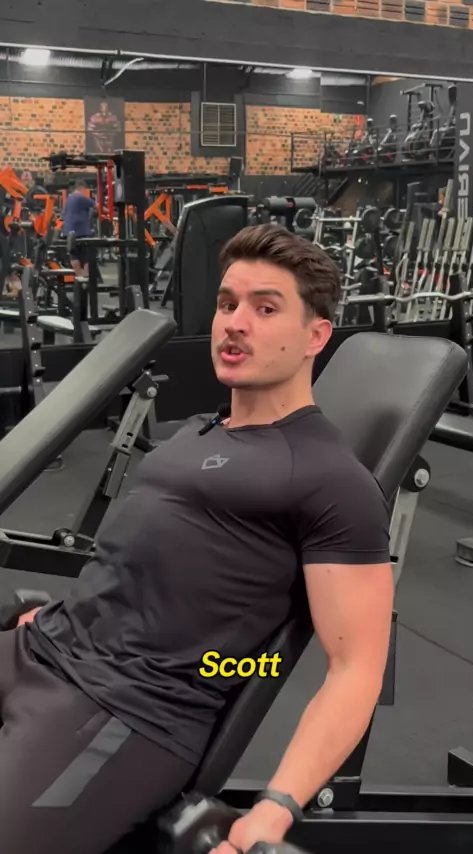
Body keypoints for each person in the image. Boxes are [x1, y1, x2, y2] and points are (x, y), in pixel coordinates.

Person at [0, 224, 393, 854]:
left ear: (316, 336)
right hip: (40, 647)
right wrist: (64, 614)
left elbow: (356, 670)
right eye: (227, 303)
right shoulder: (197, 431)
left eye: (265, 308)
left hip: (118, 712)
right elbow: (145, 559)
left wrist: (275, 809)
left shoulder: (331, 479)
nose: (235, 322)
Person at [62, 179, 96, 277]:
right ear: (82, 188)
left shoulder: (69, 198)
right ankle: (85, 276)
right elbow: (97, 206)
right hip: (81, 231)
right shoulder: (80, 197)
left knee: (74, 255)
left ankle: (79, 276)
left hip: (69, 231)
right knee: (86, 256)